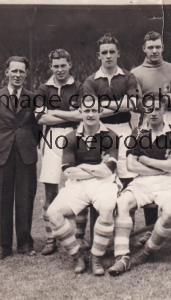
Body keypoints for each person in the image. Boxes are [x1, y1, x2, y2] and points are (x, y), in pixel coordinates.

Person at [108, 94, 171, 276]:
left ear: (165, 110)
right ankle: (122, 256)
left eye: (158, 108)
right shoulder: (137, 133)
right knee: (122, 204)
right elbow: (131, 165)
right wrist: (162, 166)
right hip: (142, 182)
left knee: (170, 211)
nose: (153, 113)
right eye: (148, 108)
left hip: (168, 184)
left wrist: (146, 160)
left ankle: (145, 253)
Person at [46, 97, 120, 275]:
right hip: (76, 184)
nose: (90, 114)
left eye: (94, 110)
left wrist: (83, 167)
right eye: (86, 110)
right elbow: (69, 172)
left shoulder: (110, 135)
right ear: (80, 113)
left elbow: (109, 170)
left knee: (107, 207)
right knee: (53, 213)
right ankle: (77, 255)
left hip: (103, 184)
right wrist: (97, 168)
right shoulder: (71, 137)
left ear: (101, 112)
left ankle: (96, 257)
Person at [0, 56, 40, 259]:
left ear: (26, 73)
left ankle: (25, 244)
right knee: (3, 201)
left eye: (21, 71)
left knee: (25, 201)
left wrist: (29, 143)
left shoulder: (33, 97)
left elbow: (37, 128)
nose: (17, 75)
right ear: (6, 72)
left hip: (26, 154)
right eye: (13, 71)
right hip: (2, 154)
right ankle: (2, 247)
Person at [130, 31, 171, 245]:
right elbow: (137, 102)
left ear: (163, 47)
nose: (154, 51)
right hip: (148, 120)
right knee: (148, 174)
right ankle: (150, 228)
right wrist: (161, 99)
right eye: (150, 47)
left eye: (158, 47)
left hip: (170, 119)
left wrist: (154, 99)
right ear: (144, 49)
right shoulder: (136, 72)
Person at [35, 49, 89, 256]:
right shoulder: (43, 88)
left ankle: (80, 237)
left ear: (70, 65)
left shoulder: (79, 87)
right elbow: (40, 118)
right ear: (51, 67)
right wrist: (70, 115)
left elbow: (82, 115)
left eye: (63, 65)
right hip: (51, 140)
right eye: (55, 66)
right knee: (50, 190)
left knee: (78, 187)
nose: (59, 70)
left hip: (75, 138)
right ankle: (51, 239)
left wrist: (54, 112)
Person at [83, 33, 139, 185]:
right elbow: (90, 110)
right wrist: (122, 104)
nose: (108, 56)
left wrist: (100, 104)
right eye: (104, 52)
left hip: (124, 130)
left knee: (128, 179)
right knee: (100, 180)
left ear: (118, 53)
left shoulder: (128, 77)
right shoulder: (90, 80)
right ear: (98, 55)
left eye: (112, 52)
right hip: (100, 130)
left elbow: (132, 105)